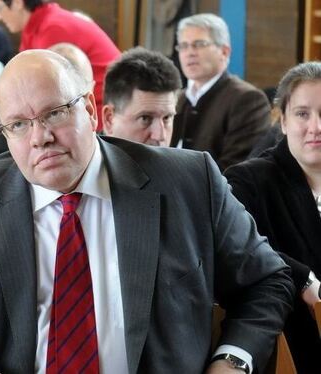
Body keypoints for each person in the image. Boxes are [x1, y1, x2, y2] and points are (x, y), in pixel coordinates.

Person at [0, 50, 294, 374]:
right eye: (18, 124)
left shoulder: (188, 182)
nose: (41, 137)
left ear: (88, 107)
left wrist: (232, 360)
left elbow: (267, 281)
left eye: (54, 113)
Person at [224, 61, 321, 374]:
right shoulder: (247, 180)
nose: (315, 127)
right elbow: (239, 248)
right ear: (283, 122)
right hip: (287, 343)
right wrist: (303, 277)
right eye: (302, 113)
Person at [0, 0, 120, 128]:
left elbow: (41, 95)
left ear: (18, 3)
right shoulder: (37, 25)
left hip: (98, 115)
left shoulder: (52, 28)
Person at [171, 13, 270, 170]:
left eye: (199, 44)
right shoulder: (176, 99)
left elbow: (236, 169)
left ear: (224, 52)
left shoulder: (248, 99)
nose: (189, 52)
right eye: (183, 46)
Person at [102, 47, 181, 147]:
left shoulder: (187, 162)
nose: (160, 136)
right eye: (145, 118)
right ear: (109, 120)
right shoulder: (86, 162)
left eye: (166, 118)